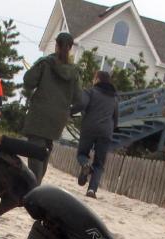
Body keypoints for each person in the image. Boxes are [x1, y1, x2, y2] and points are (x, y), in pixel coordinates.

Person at [22, 31, 82, 183]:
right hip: (58, 118)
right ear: (70, 48)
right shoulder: (74, 72)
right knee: (45, 151)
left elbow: (28, 81)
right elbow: (78, 98)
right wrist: (67, 110)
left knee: (35, 151)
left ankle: (34, 186)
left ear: (56, 45)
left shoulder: (45, 63)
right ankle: (36, 183)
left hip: (39, 115)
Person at [76, 70, 119, 199]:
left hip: (89, 128)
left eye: (94, 78)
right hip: (106, 132)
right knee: (99, 164)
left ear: (98, 80)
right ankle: (92, 191)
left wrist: (70, 111)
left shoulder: (90, 92)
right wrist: (111, 128)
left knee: (82, 154)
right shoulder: (114, 98)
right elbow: (116, 119)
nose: (93, 81)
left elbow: (81, 104)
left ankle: (85, 165)